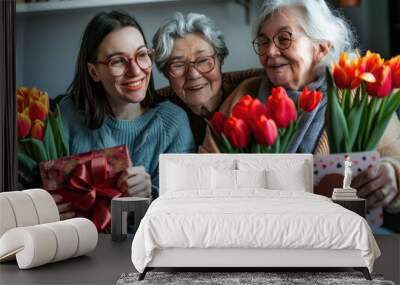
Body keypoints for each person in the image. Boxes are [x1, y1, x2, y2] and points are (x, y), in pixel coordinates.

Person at [202, 0, 400, 221]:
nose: (270, 51)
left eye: (284, 39)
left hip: (341, 233)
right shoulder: (245, 96)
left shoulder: (356, 95)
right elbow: (206, 165)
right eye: (263, 41)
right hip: (260, 229)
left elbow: (396, 156)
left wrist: (392, 174)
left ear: (321, 47)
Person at [55, 11, 195, 219]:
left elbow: (184, 211)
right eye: (118, 61)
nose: (135, 71)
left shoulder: (173, 123)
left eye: (141, 55)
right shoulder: (66, 114)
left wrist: (151, 195)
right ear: (94, 72)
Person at [152, 12, 262, 146]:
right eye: (179, 65)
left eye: (203, 60)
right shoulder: (161, 115)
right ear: (166, 73)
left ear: (220, 60)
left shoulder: (251, 90)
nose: (193, 74)